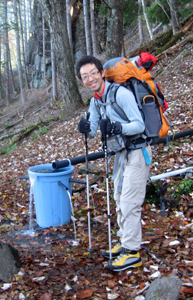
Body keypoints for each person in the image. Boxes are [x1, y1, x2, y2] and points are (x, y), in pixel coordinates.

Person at [76, 55, 153, 271]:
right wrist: (83, 128)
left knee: (129, 201)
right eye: (85, 76)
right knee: (119, 197)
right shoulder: (95, 101)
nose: (90, 78)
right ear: (82, 81)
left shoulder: (121, 94)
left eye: (93, 73)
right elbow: (91, 131)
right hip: (121, 153)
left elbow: (138, 124)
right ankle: (124, 241)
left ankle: (132, 252)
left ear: (101, 73)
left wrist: (118, 128)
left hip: (138, 151)